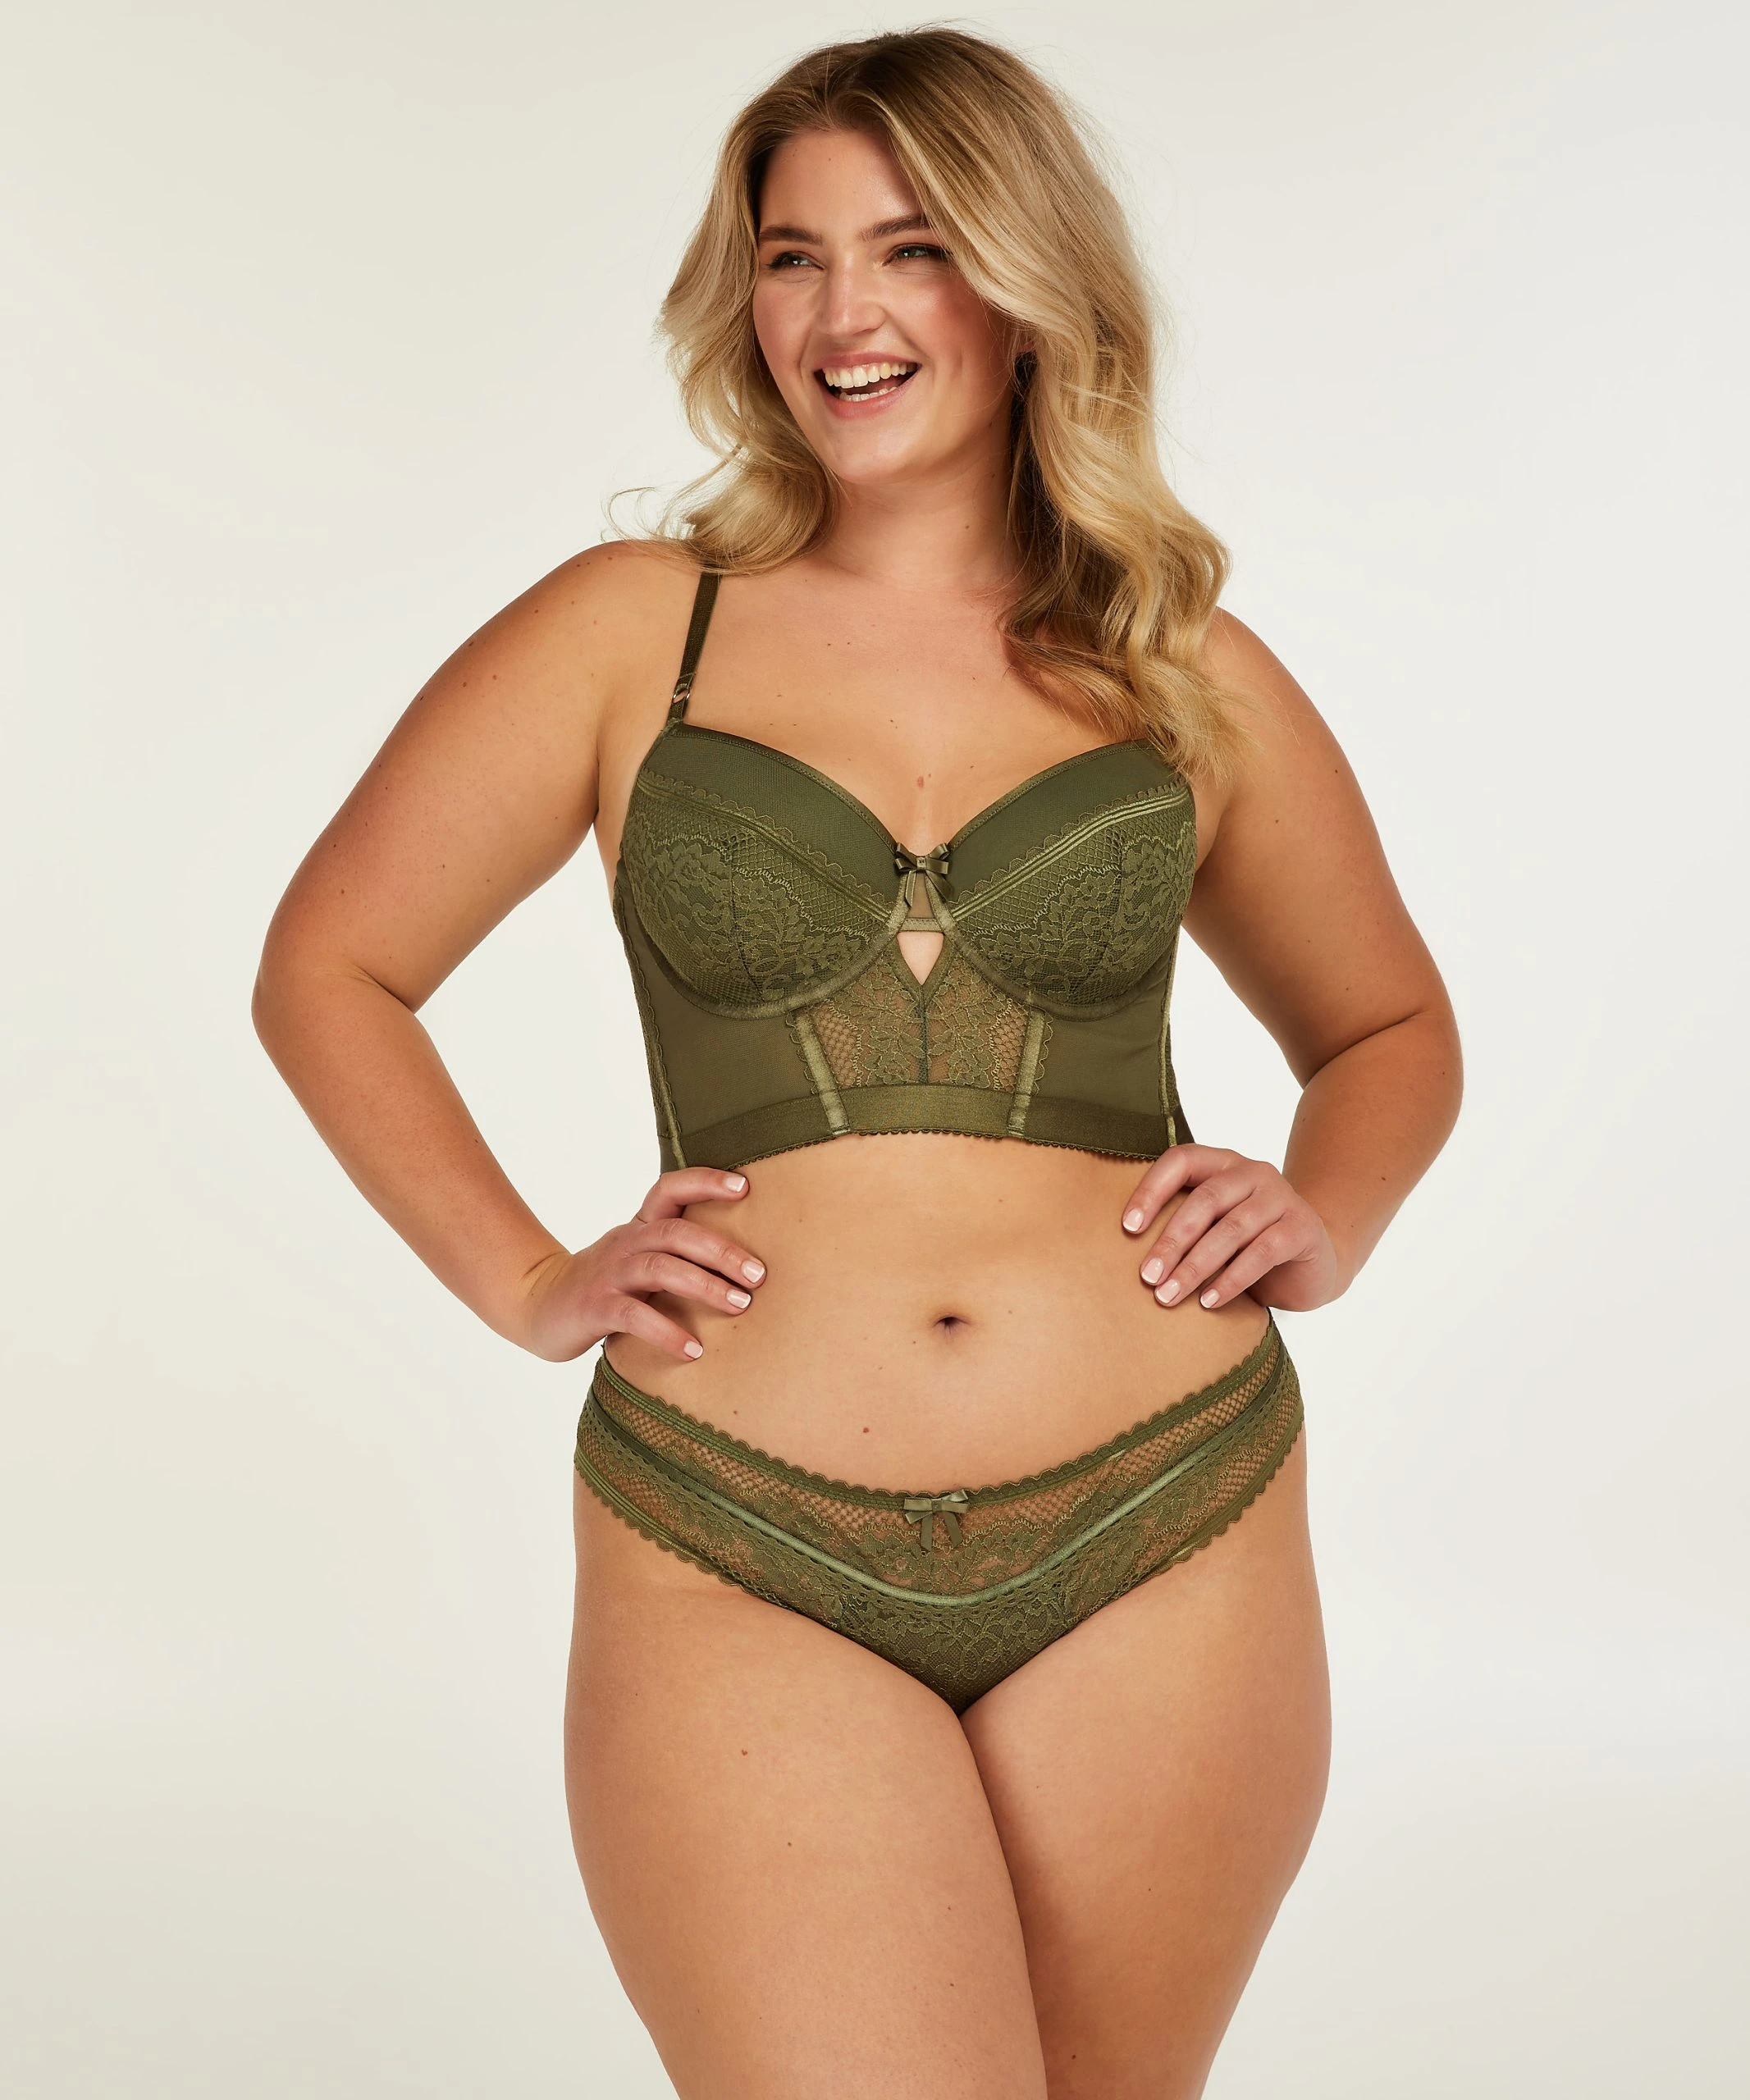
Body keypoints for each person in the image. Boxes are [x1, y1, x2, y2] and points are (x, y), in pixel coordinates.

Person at [254, 26, 1461, 2099]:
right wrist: (527, 1275)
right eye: (790, 257)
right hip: (739, 1535)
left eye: (909, 249)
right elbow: (329, 967)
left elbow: (1389, 1028)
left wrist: (1325, 1211)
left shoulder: (1176, 661)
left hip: (1168, 1517)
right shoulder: (633, 628)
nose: (841, 316)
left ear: (1028, 282)